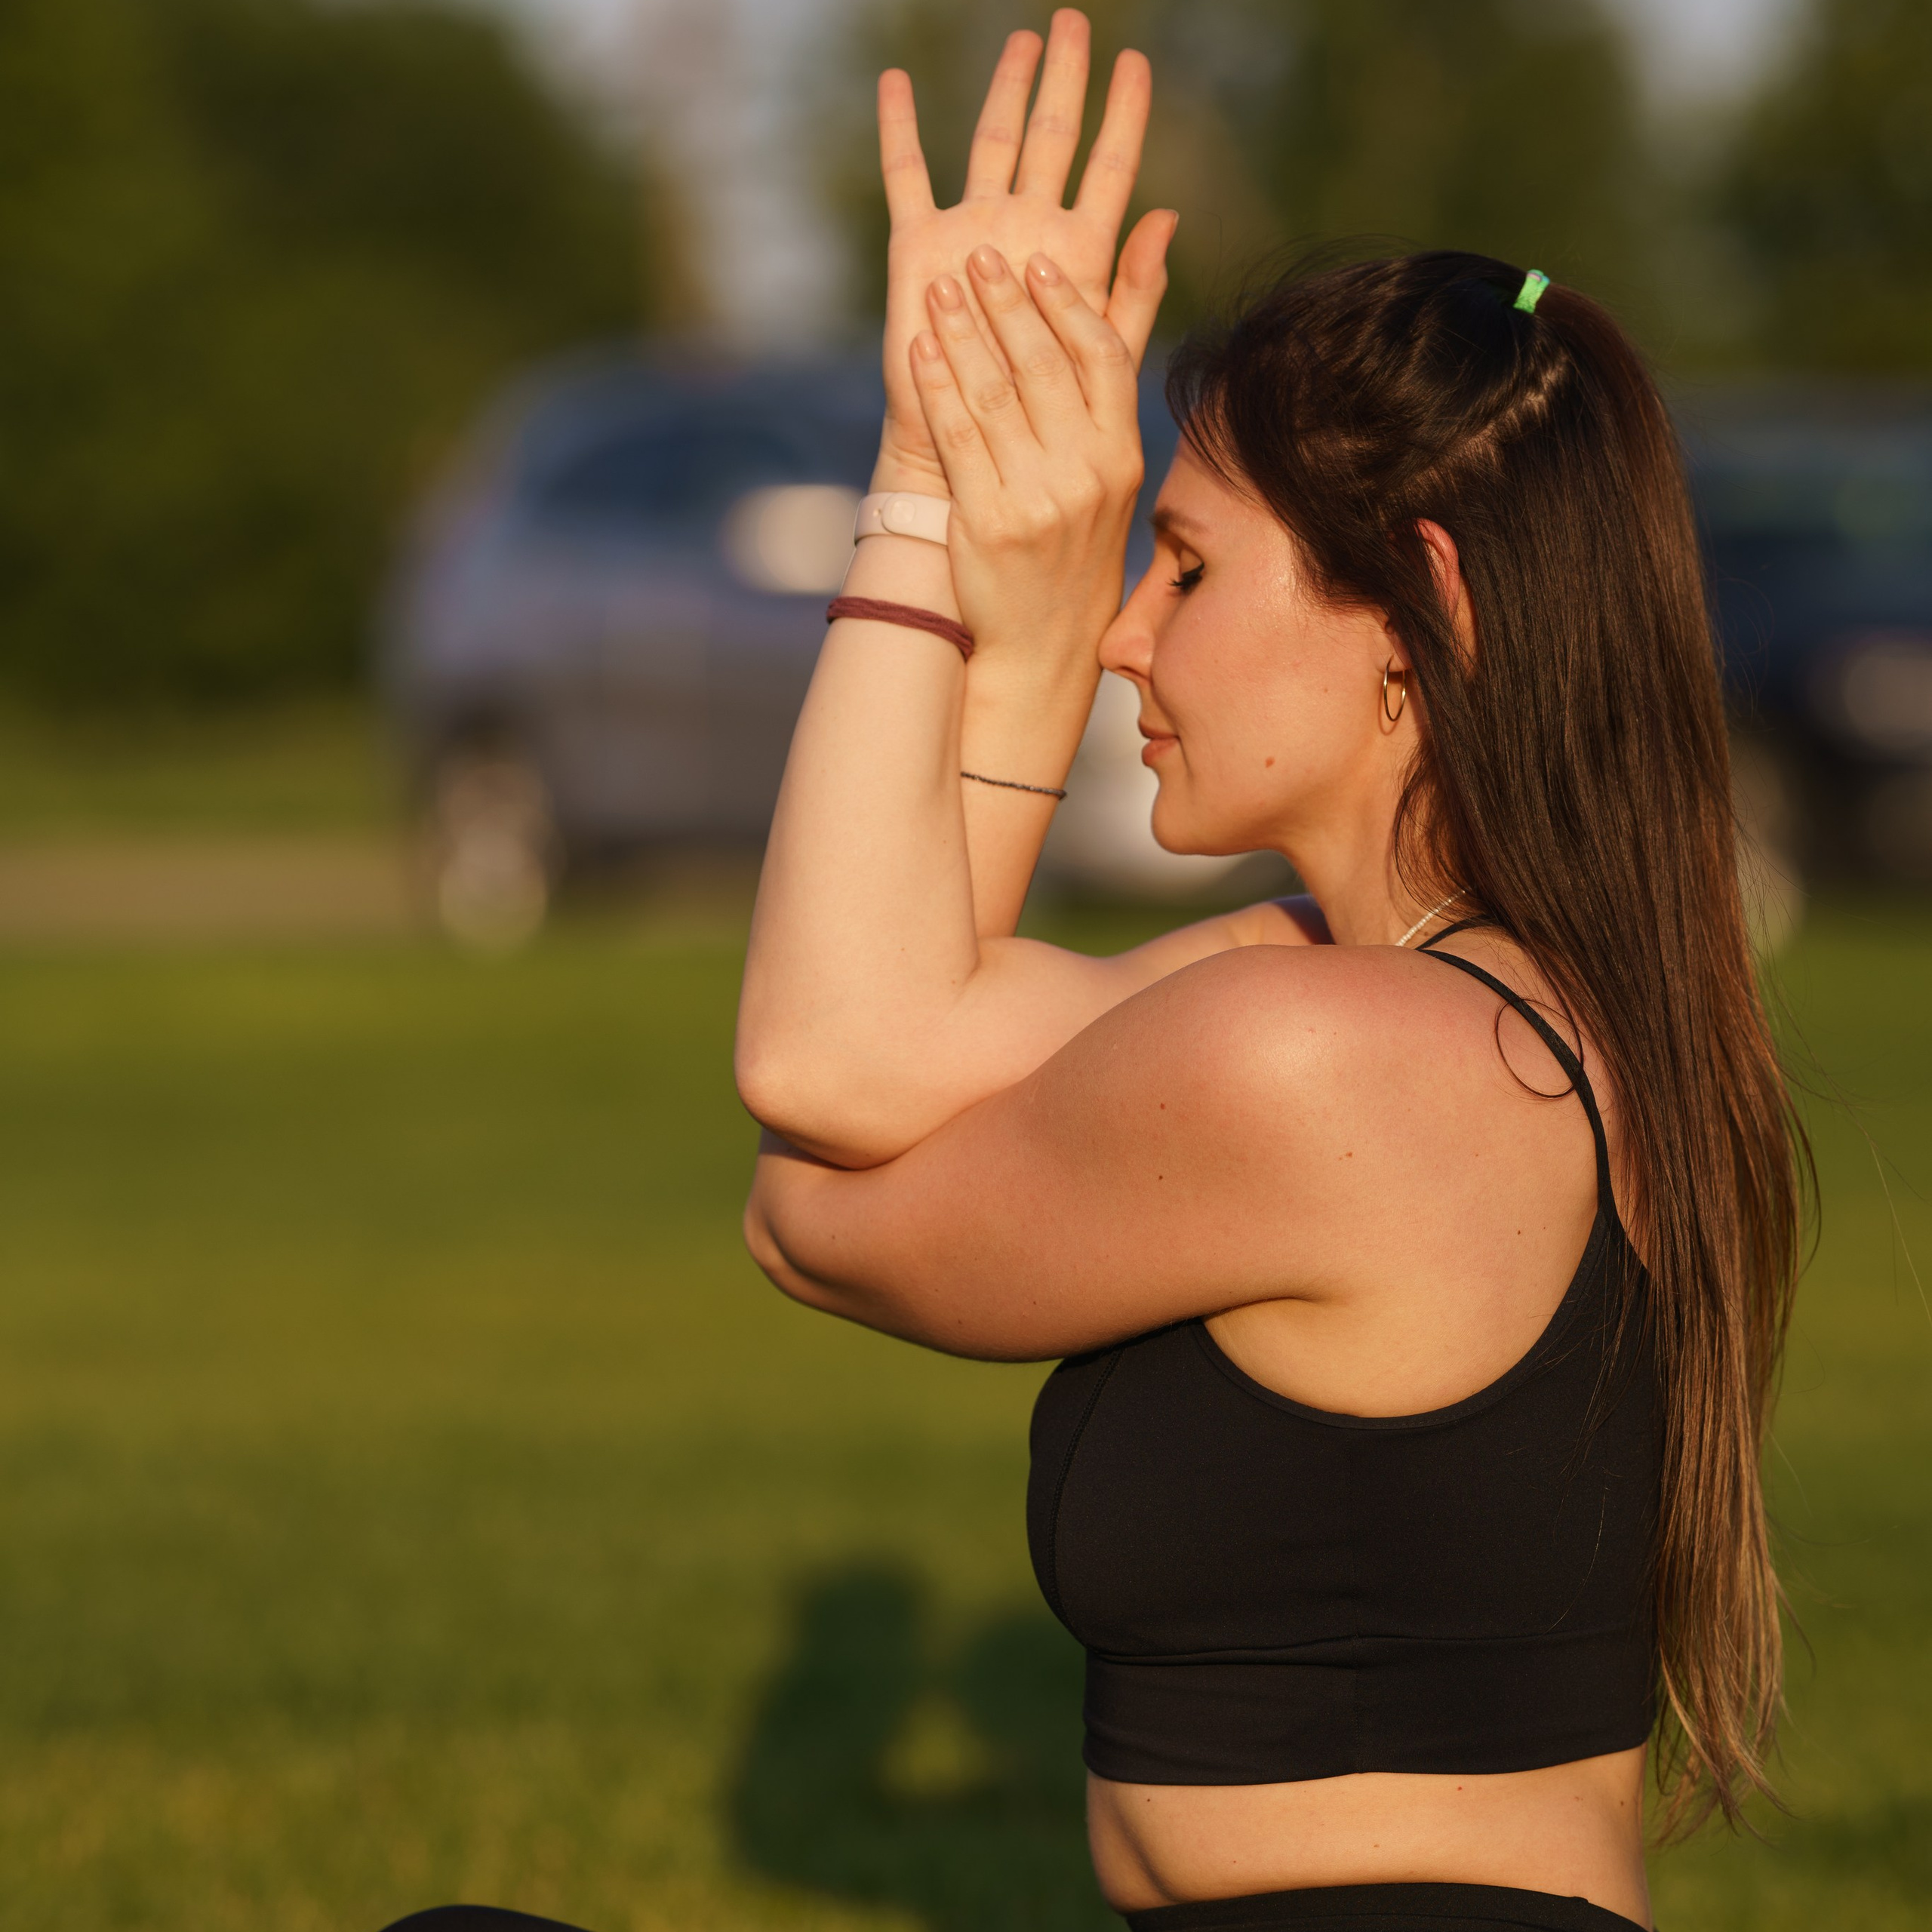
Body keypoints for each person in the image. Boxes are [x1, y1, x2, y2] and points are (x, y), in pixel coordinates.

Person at [380, 11, 1801, 1932]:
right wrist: (996, 576)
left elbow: (813, 1151)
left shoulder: (1318, 1055)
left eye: (1186, 568)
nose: (1133, 628)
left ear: (1417, 614)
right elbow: (868, 1050)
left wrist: (935, 519)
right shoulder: (1456, 1002)